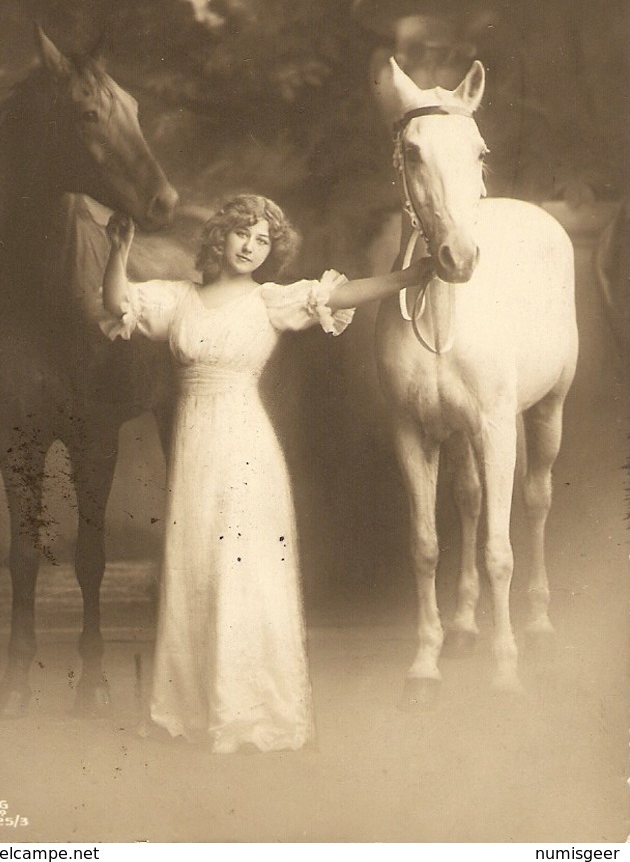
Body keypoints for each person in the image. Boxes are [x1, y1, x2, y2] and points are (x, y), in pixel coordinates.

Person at [101, 194, 433, 754]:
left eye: (262, 241)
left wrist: (412, 274)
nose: (251, 248)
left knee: (245, 571)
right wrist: (120, 249)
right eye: (242, 235)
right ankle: (195, 708)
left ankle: (248, 712)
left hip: (246, 448)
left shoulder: (270, 302)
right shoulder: (179, 299)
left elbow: (341, 293)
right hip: (194, 448)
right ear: (219, 238)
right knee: (196, 571)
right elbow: (117, 300)